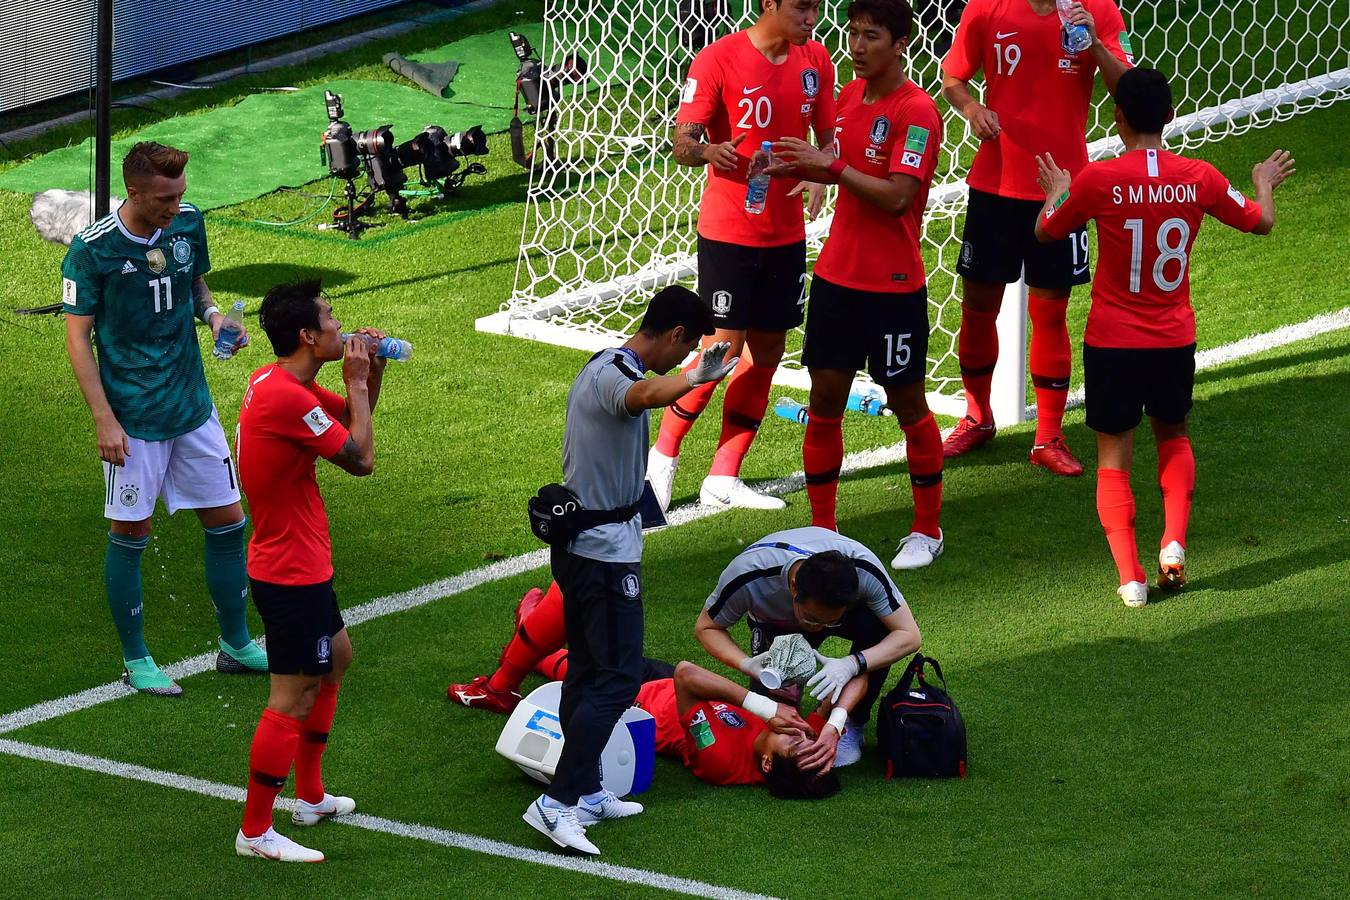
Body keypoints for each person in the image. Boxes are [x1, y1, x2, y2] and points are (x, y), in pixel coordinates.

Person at [1033, 67, 1294, 607]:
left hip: (1112, 341)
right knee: (1172, 434)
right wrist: (1264, 185)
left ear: (1118, 118)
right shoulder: (1198, 176)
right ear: (1171, 116)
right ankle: (1173, 543)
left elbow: (1046, 231)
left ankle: (1131, 578)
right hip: (1172, 338)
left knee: (1113, 458)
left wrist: (1057, 192)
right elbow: (1260, 222)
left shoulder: (1097, 179)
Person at [525, 286, 738, 856]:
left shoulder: (605, 365)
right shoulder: (617, 373)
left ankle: (586, 788)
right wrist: (697, 377)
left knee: (590, 672)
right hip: (602, 553)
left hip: (589, 545)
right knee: (618, 678)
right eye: (686, 346)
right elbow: (644, 394)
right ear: (674, 337)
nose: (684, 355)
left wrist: (692, 374)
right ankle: (557, 803)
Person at [62, 141, 265, 696]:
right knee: (131, 531)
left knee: (228, 520)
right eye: (162, 198)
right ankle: (136, 660)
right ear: (132, 191)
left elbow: (194, 286)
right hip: (133, 416)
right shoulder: (91, 250)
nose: (174, 206)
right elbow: (78, 338)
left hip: (190, 404)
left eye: (179, 194)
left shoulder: (188, 222)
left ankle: (236, 643)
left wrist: (215, 316)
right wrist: (104, 419)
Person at [767, 0, 948, 569]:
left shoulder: (917, 112)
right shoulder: (845, 100)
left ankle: (926, 529)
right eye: (853, 34)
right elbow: (833, 166)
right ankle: (823, 530)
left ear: (900, 44)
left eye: (871, 36)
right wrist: (792, 166)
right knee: (824, 403)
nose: (857, 45)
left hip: (893, 288)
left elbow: (897, 196)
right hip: (836, 281)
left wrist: (833, 169)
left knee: (908, 402)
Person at [649, 0, 837, 512]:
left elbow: (827, 136)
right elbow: (682, 141)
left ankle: (723, 477)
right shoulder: (718, 59)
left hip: (785, 235)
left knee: (767, 356)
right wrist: (709, 151)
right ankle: (660, 461)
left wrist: (818, 173)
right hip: (730, 232)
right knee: (721, 353)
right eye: (802, 7)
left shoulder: (816, 61)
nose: (812, 18)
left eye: (817, 8)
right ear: (769, 5)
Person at [232, 280, 391, 861]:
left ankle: (311, 795)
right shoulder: (289, 399)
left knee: (337, 658)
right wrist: (353, 380)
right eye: (331, 318)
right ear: (307, 335)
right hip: (288, 570)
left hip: (300, 561)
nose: (338, 326)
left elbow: (353, 420)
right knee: (291, 696)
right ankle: (255, 831)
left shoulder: (279, 383)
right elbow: (363, 459)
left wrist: (370, 373)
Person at [940, 0, 1133, 475]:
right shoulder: (987, 9)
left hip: (1063, 186)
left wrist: (1096, 47)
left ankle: (1048, 436)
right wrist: (972, 108)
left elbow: (1126, 91)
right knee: (979, 306)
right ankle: (978, 417)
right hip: (995, 183)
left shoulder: (1098, 11)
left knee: (1050, 311)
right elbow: (952, 78)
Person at [448, 585, 865, 784]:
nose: (797, 731)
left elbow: (688, 675)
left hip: (636, 701)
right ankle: (537, 630)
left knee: (568, 661)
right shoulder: (803, 740)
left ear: (769, 764)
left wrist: (765, 707)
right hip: (667, 682)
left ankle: (531, 628)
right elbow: (857, 678)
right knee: (584, 650)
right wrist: (833, 722)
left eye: (794, 743)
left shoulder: (720, 760)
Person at [694, 526, 922, 754]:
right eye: (812, 618)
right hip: (775, 623)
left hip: (851, 617)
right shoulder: (748, 575)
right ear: (793, 587)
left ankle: (852, 723)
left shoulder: (863, 569)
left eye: (830, 621)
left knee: (879, 628)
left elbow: (909, 635)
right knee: (773, 714)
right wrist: (746, 664)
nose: (819, 628)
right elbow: (707, 627)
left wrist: (853, 664)